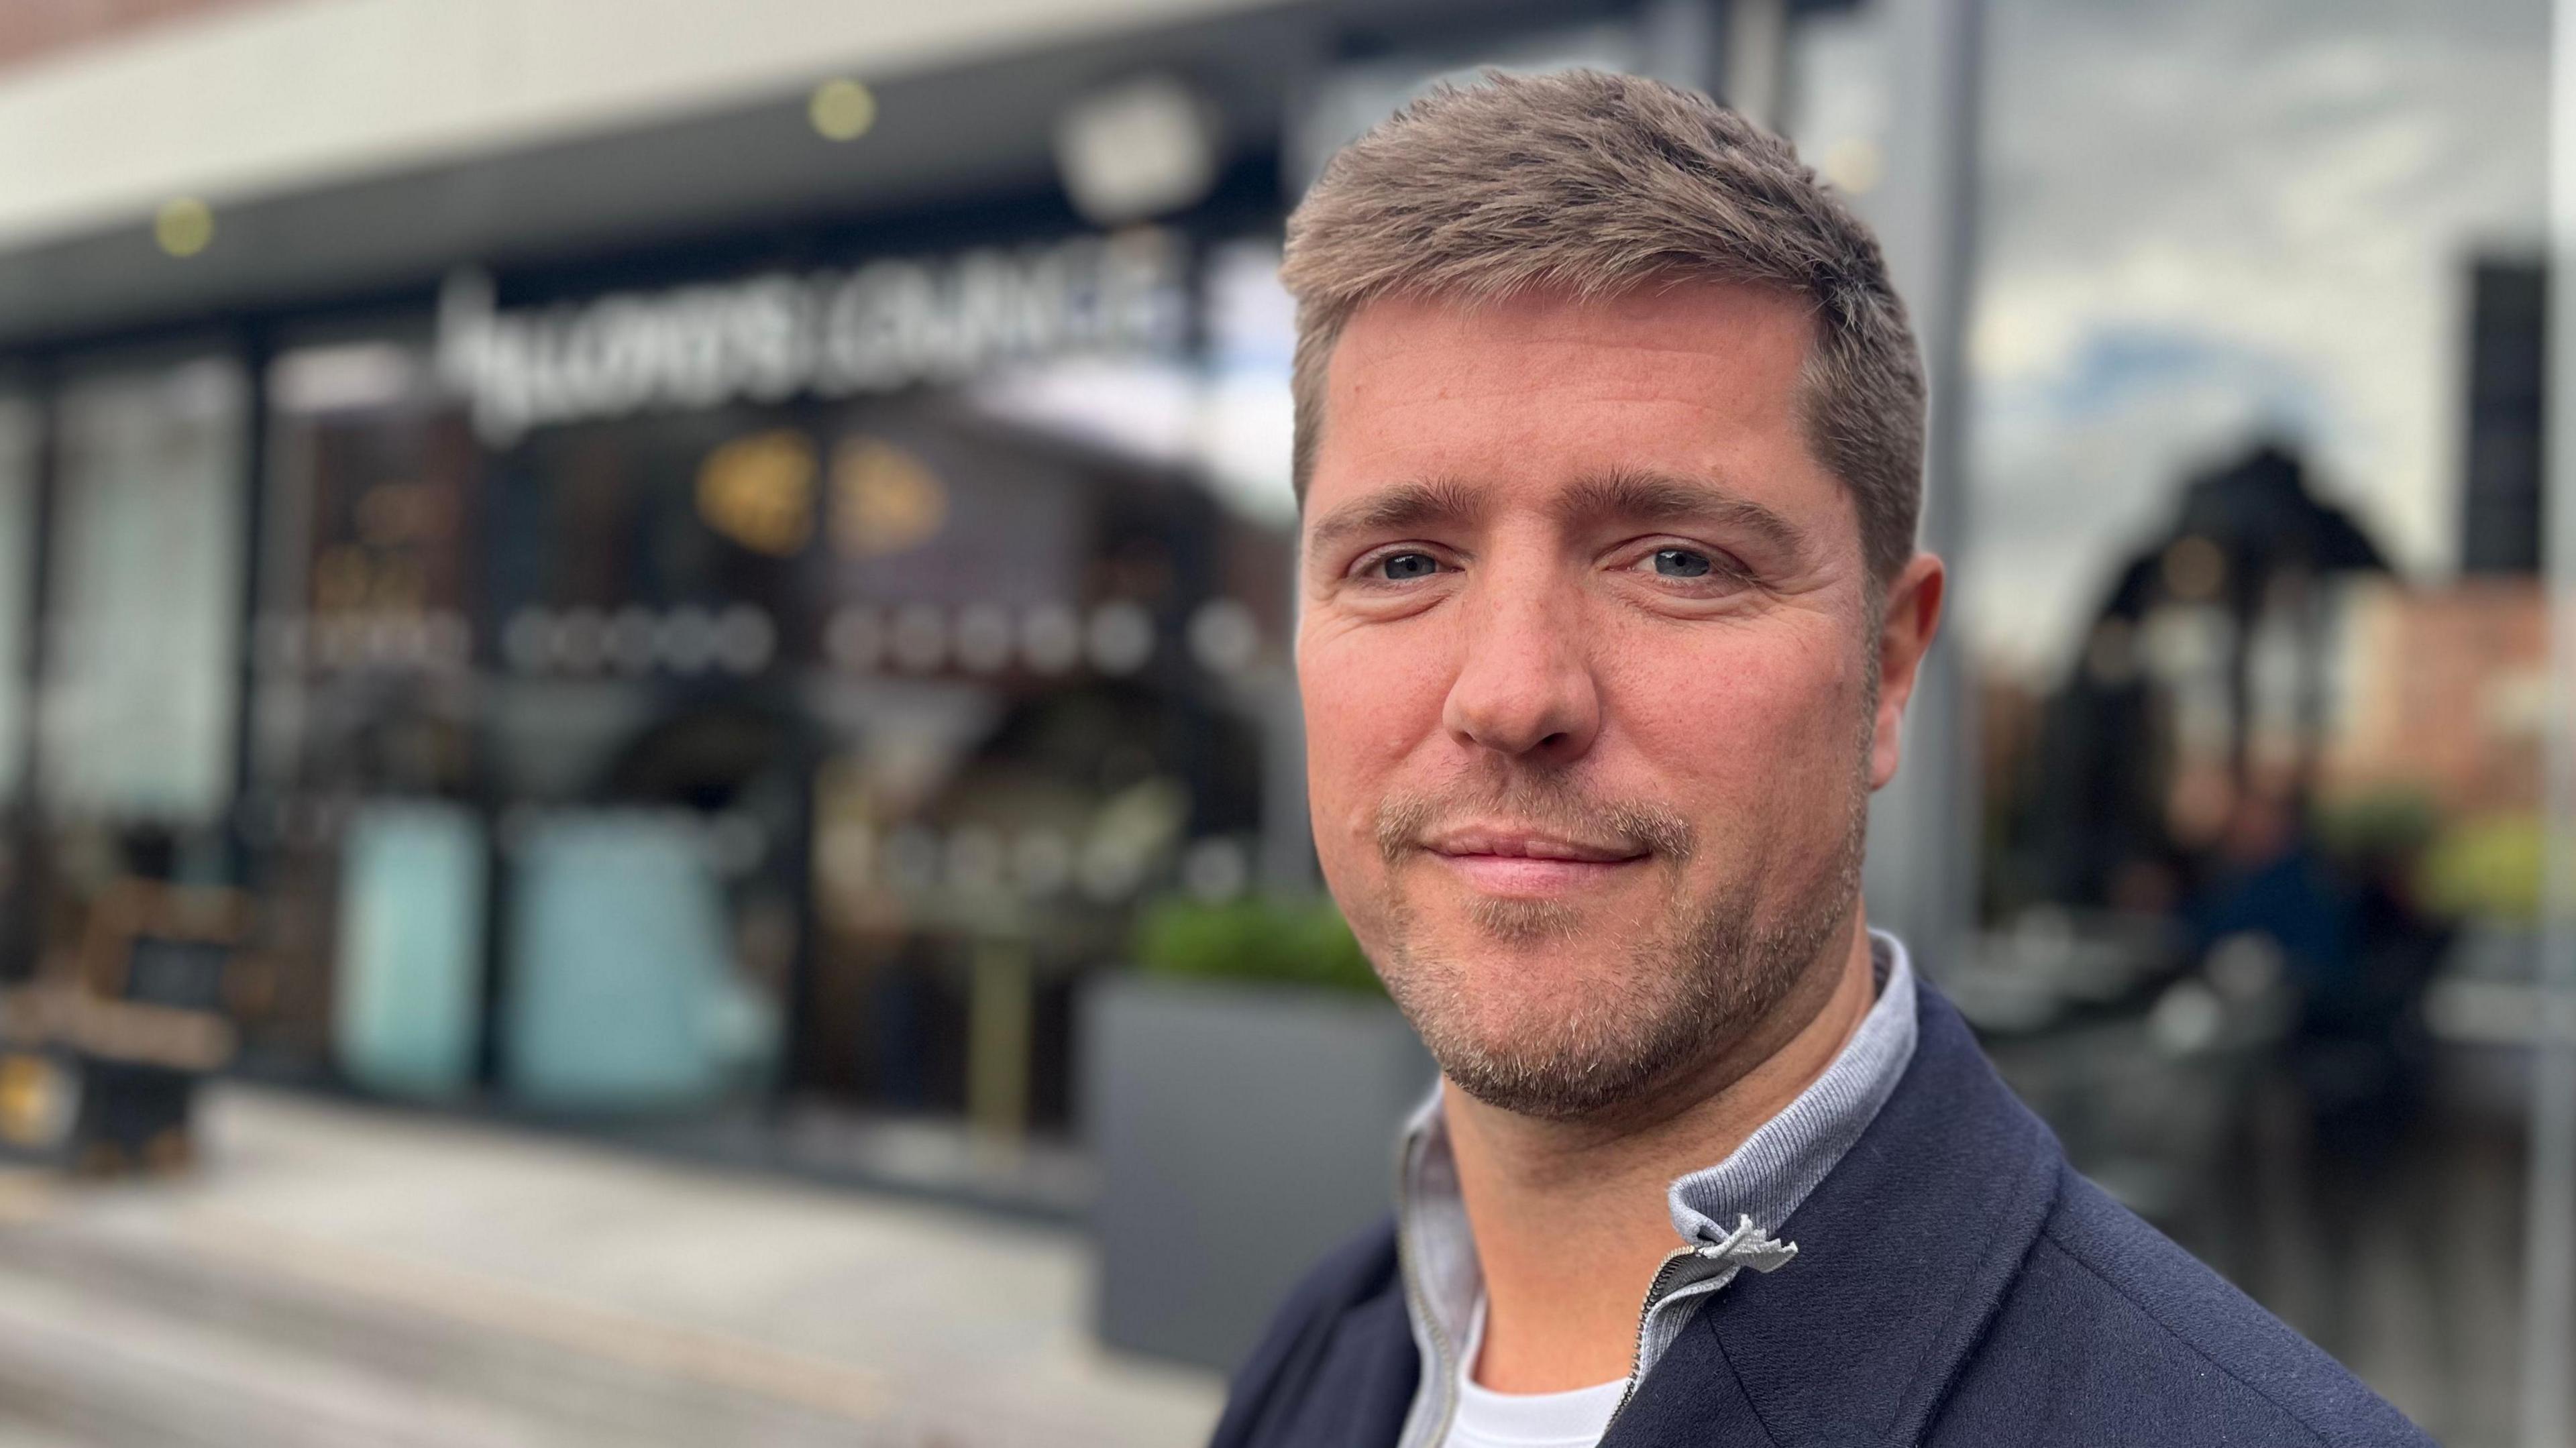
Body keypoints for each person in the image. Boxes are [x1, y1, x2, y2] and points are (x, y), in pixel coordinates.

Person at [1211, 71, 2427, 1448]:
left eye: (1679, 559)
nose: (1512, 693)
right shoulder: (1321, 1360)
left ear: (1890, 669)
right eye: (1405, 561)